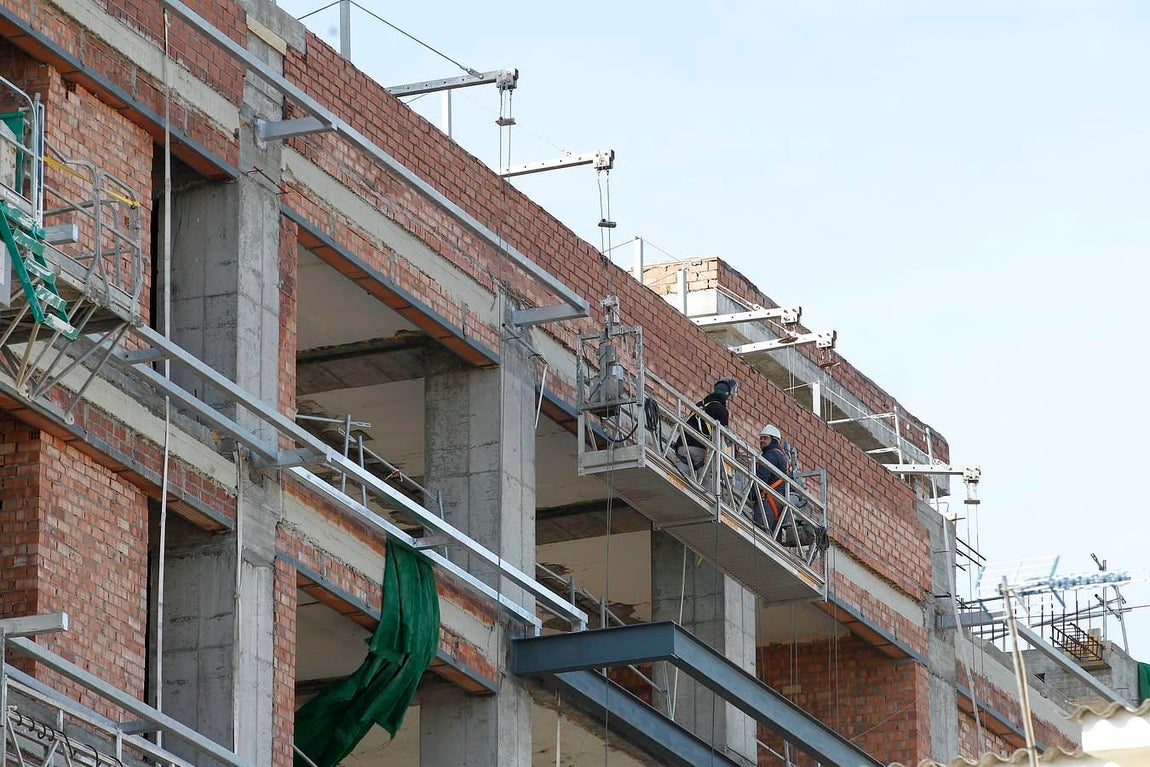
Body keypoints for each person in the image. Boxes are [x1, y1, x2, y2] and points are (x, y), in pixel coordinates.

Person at [677, 377, 738, 473]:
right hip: (698, 450)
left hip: (682, 446)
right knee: (708, 484)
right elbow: (722, 437)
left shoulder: (700, 404)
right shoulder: (721, 410)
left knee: (681, 477)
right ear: (727, 394)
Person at [756, 424, 791, 530]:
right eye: (761, 438)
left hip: (768, 503)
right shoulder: (781, 456)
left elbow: (761, 478)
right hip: (777, 503)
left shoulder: (770, 454)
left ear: (774, 440)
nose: (762, 441)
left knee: (759, 534)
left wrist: (752, 495)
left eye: (765, 438)